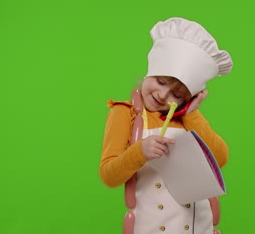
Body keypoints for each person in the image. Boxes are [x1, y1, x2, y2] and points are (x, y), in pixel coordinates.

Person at [99, 17, 233, 234]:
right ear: (150, 71)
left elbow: (220, 159)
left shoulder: (189, 119)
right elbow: (109, 176)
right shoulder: (125, 113)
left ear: (188, 98)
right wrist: (140, 152)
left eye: (177, 95)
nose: (162, 95)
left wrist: (192, 113)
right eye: (160, 82)